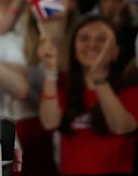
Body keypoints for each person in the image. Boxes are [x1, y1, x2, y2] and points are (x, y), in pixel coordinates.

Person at [39, 16, 138, 175]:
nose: (92, 44)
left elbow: (121, 127)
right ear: (74, 50)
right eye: (84, 38)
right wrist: (50, 71)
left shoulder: (130, 89)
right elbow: (49, 123)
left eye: (102, 39)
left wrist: (98, 78)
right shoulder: (64, 84)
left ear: (115, 52)